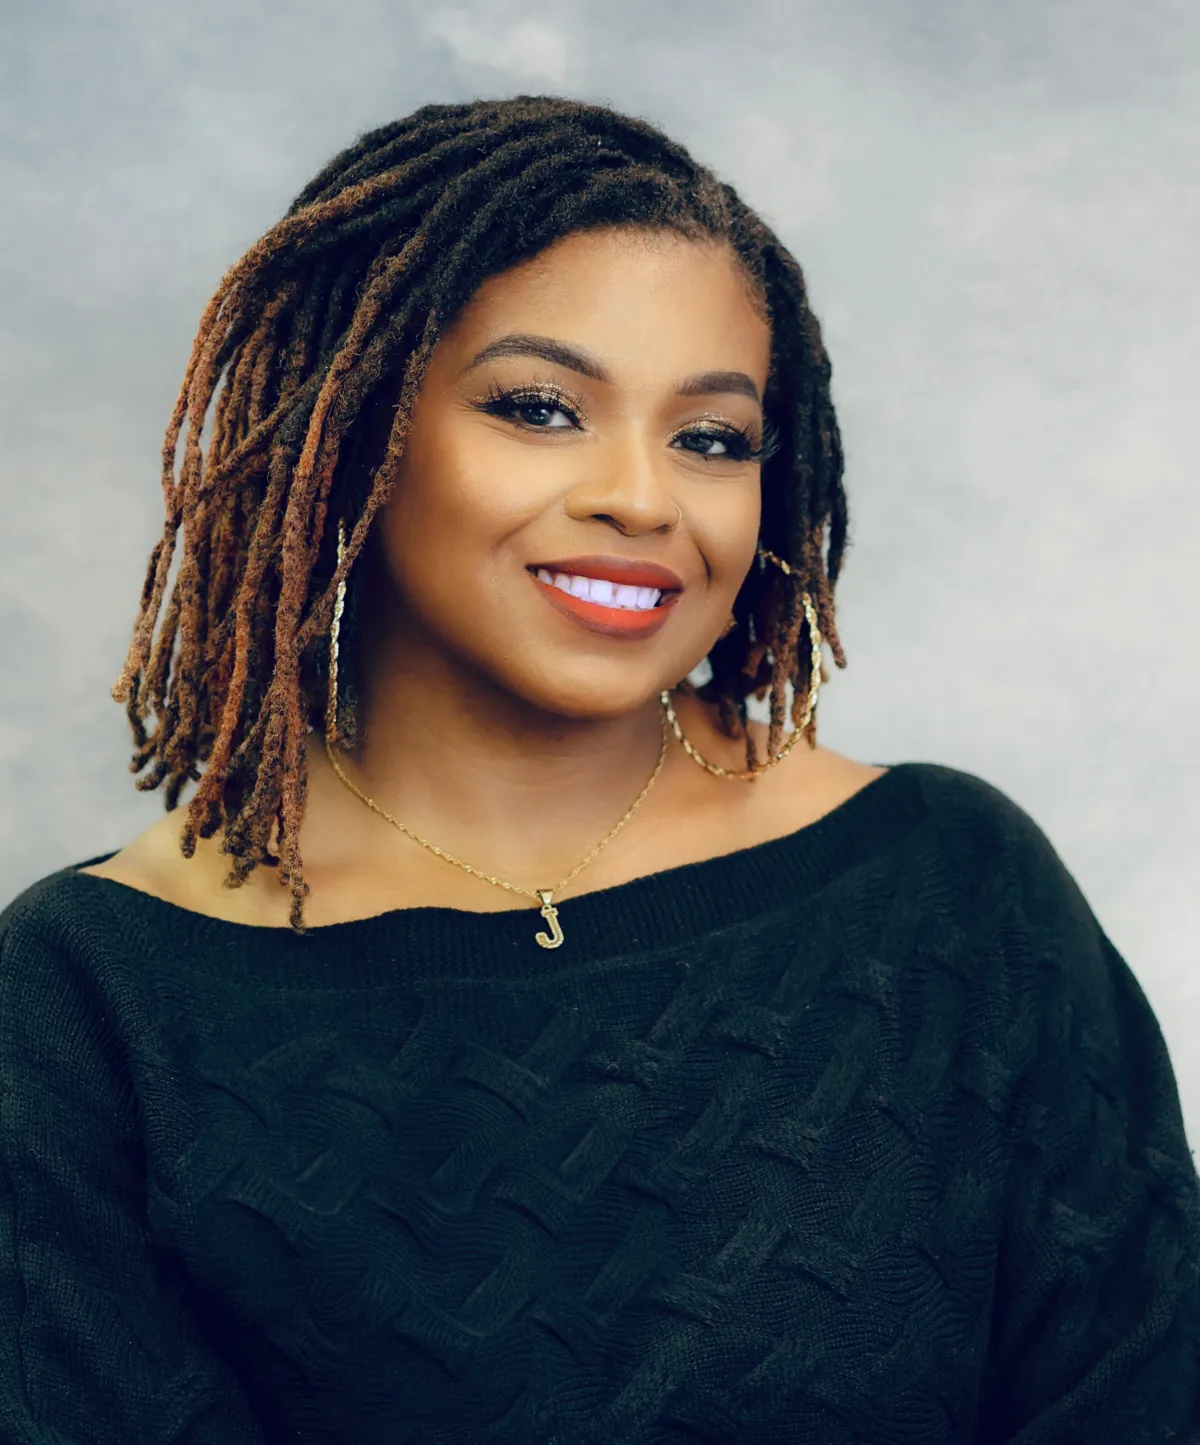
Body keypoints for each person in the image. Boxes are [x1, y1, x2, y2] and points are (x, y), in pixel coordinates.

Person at [1, 95, 1197, 1445]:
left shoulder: (955, 889)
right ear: (348, 438)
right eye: (538, 407)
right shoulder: (91, 1003)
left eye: (713, 437)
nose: (644, 496)